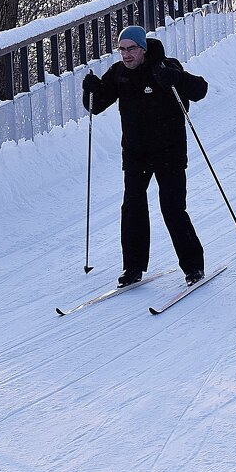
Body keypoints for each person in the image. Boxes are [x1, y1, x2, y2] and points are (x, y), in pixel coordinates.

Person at [82, 25, 208, 287]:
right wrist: (90, 90)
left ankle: (193, 267)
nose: (126, 55)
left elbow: (199, 90)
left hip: (169, 151)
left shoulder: (163, 67)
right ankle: (133, 268)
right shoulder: (118, 74)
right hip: (136, 153)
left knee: (172, 209)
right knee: (132, 209)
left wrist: (175, 79)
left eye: (131, 49)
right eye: (122, 49)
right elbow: (95, 106)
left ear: (143, 48)